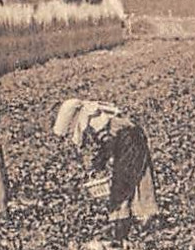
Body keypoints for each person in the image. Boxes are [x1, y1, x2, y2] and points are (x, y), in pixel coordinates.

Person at [53, 98, 160, 241]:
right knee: (140, 178)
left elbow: (108, 142)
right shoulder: (98, 112)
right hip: (134, 138)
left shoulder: (93, 118)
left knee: (122, 185)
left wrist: (100, 162)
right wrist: (100, 162)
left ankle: (122, 230)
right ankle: (144, 218)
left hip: (129, 143)